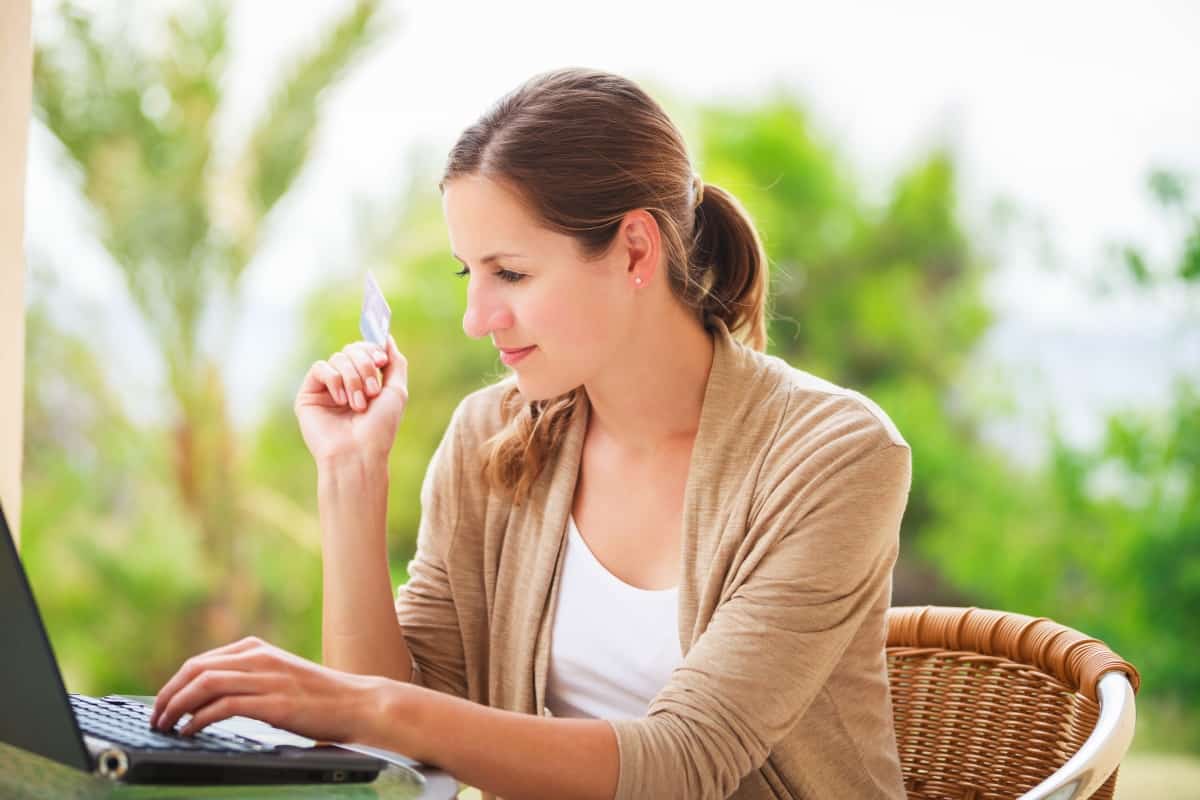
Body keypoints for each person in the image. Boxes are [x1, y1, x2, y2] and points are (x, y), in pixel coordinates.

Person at [149, 67, 912, 800]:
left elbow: (688, 762)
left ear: (636, 251)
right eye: (467, 274)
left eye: (509, 274)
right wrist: (351, 476)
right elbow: (387, 760)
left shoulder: (835, 456)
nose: (476, 318)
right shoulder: (490, 435)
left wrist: (362, 704)